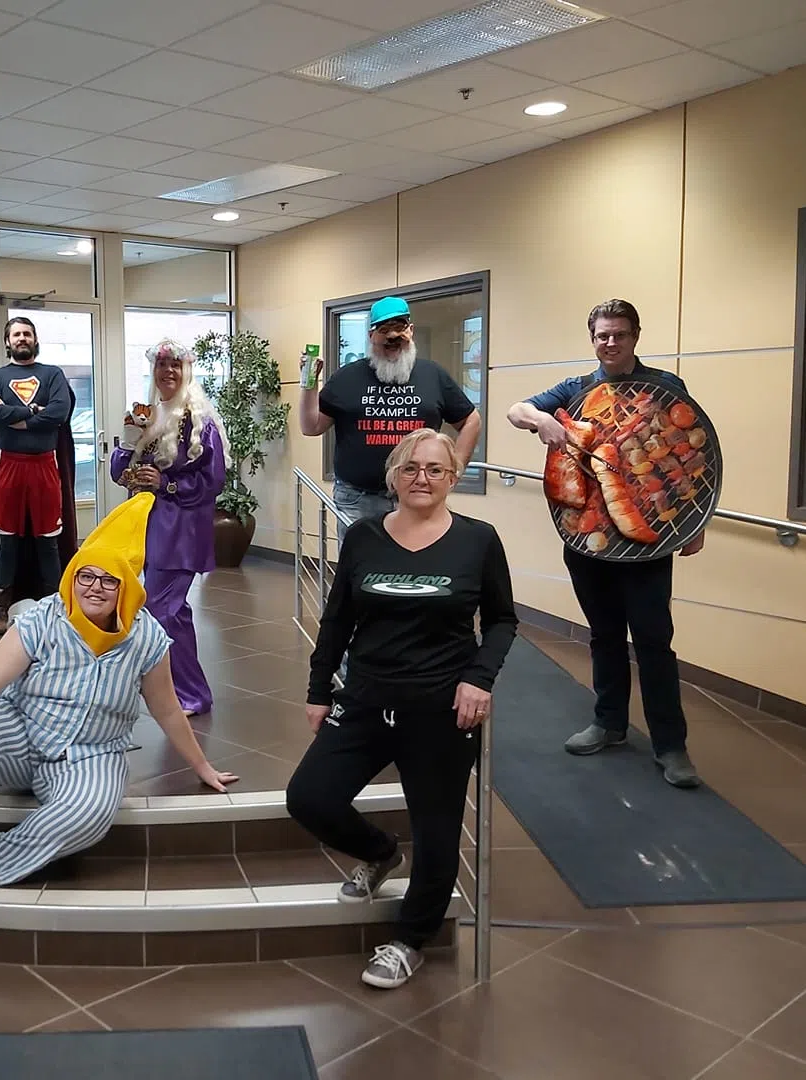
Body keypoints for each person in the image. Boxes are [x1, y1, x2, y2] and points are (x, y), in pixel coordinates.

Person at [0, 493, 238, 927]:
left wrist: (202, 766)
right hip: (22, 736)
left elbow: (167, 709)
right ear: (72, 577)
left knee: (92, 813)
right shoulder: (43, 619)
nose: (94, 587)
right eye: (85, 575)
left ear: (127, 588)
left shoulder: (146, 638)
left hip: (91, 754)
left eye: (109, 580)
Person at [287, 428, 516, 991]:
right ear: (393, 475)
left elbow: (502, 621)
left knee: (436, 833)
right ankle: (380, 852)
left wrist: (479, 678)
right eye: (411, 467)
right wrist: (319, 689)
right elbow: (338, 617)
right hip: (366, 698)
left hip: (440, 709)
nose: (422, 478)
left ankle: (410, 940)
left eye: (436, 469)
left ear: (452, 477)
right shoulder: (363, 536)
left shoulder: (479, 540)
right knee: (310, 797)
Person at [506, 298, 703, 788]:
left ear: (636, 336)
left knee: (654, 640)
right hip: (587, 538)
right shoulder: (575, 389)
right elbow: (515, 410)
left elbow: (692, 459)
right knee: (604, 634)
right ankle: (609, 723)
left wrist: (694, 524)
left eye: (619, 334)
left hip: (647, 544)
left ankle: (670, 746)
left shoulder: (665, 387)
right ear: (592, 339)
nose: (610, 342)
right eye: (602, 335)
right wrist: (541, 420)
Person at [299, 295, 483, 540]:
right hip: (358, 500)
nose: (393, 336)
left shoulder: (433, 375)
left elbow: (471, 420)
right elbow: (311, 426)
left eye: (399, 327)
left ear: (411, 331)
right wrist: (309, 382)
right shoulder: (347, 377)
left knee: (417, 558)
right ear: (371, 336)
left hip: (418, 494)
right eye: (384, 329)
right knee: (360, 562)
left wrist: (454, 470)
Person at [110, 339, 228, 716]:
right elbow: (119, 473)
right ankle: (180, 689)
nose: (168, 372)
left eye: (176, 365)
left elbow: (213, 479)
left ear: (186, 371)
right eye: (162, 366)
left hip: (181, 531)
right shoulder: (146, 415)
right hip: (148, 527)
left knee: (163, 610)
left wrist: (167, 484)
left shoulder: (199, 420)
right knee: (167, 611)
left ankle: (191, 693)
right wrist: (129, 443)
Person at [0, 316, 74, 635]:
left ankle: (54, 607)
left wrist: (15, 417)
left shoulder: (52, 374)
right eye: (16, 334)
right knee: (7, 541)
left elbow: (59, 413)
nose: (22, 338)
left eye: (27, 334)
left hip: (44, 465)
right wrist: (34, 411)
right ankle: (0, 607)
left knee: (47, 540)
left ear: (35, 340)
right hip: (10, 465)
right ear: (7, 342)